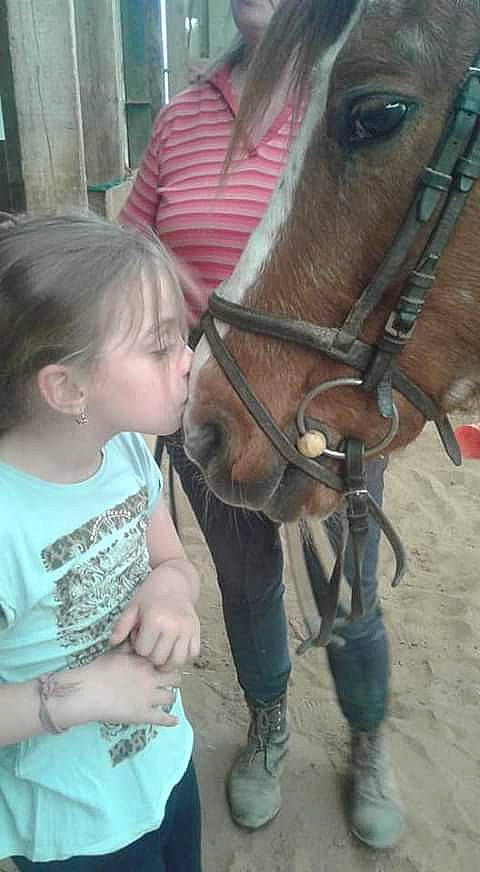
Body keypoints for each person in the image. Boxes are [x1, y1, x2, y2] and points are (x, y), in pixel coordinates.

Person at [119, 0, 404, 851]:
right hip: (212, 398)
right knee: (247, 584)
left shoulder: (349, 100)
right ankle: (269, 723)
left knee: (352, 583)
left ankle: (367, 742)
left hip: (324, 403)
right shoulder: (181, 117)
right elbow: (135, 252)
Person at [0, 212, 202, 871]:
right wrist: (83, 696)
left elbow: (172, 558)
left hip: (166, 764)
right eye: (160, 347)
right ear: (66, 387)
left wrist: (170, 592)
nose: (189, 361)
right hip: (75, 831)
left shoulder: (126, 454)